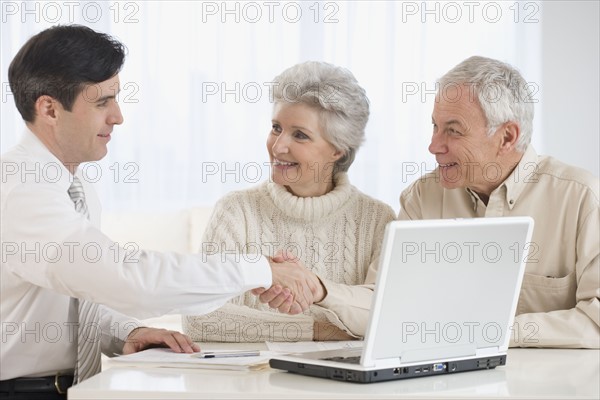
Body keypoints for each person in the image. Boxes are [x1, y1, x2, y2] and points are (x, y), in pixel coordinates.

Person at [0, 25, 317, 398]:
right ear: (50, 108)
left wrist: (127, 332)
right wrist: (260, 270)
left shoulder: (73, 185)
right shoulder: (21, 191)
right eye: (102, 102)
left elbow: (72, 293)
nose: (117, 117)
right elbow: (126, 278)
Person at [183, 61, 396, 343]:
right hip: (249, 384)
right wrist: (316, 330)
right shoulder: (236, 211)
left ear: (337, 149)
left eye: (300, 135)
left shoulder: (377, 220)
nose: (278, 146)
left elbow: (386, 315)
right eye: (276, 128)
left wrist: (315, 292)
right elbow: (199, 316)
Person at [399, 56, 599, 348]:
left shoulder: (582, 198)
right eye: (435, 126)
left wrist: (491, 331)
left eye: (453, 130)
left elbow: (595, 320)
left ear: (507, 137)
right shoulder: (422, 197)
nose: (434, 146)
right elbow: (394, 304)